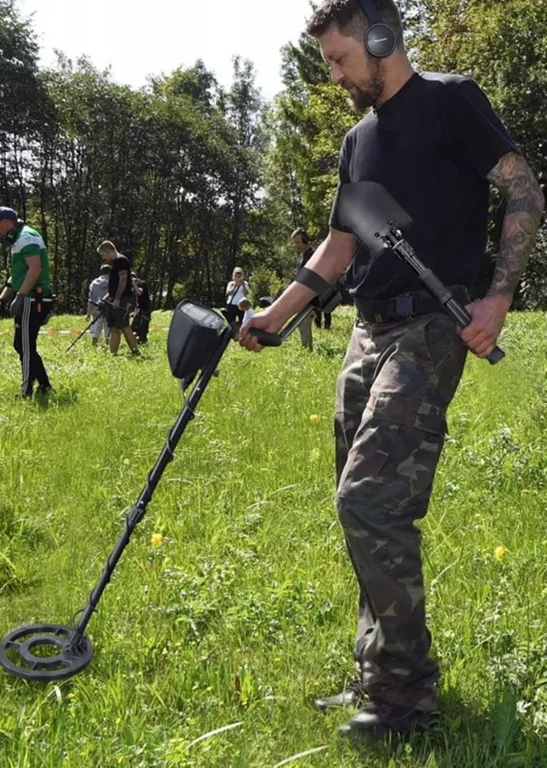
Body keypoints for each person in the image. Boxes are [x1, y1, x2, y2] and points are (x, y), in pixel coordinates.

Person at [241, 0, 544, 740]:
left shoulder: (450, 101)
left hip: (432, 328)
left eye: (342, 59)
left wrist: (499, 297)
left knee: (371, 502)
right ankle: (376, 675)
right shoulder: (357, 140)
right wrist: (272, 319)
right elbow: (338, 248)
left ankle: (408, 703)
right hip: (367, 332)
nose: (337, 75)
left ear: (381, 39)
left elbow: (524, 189)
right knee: (358, 503)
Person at [0, 207, 54, 398]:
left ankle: (27, 391)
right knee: (21, 344)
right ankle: (44, 385)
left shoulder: (26, 238)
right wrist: (0, 302)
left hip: (33, 298)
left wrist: (21, 296)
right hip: (28, 296)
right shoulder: (17, 240)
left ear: (6, 222)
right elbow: (16, 276)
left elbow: (35, 268)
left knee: (25, 345)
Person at [96, 240, 140, 356]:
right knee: (114, 328)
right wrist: (109, 298)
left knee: (124, 326)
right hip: (115, 299)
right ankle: (113, 354)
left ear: (109, 251)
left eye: (103, 255)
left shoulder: (121, 260)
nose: (103, 258)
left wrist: (117, 299)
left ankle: (135, 351)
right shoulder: (115, 263)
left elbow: (123, 280)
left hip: (123, 299)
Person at [293, 228, 333, 331]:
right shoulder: (302, 256)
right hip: (307, 290)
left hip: (316, 289)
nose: (296, 245)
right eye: (295, 243)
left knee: (323, 310)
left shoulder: (312, 254)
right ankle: (319, 329)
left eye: (298, 242)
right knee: (315, 315)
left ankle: (326, 329)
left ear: (305, 240)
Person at [87, 264, 111, 346]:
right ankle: (109, 345)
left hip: (96, 308)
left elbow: (90, 298)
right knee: (108, 328)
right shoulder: (112, 282)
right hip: (109, 308)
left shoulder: (94, 283)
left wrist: (88, 312)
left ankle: (94, 344)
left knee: (97, 327)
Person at [131, 272, 152, 344]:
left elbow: (140, 292)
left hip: (145, 309)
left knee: (143, 328)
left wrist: (134, 284)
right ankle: (135, 342)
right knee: (133, 328)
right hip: (139, 309)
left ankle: (143, 342)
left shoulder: (143, 283)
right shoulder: (134, 287)